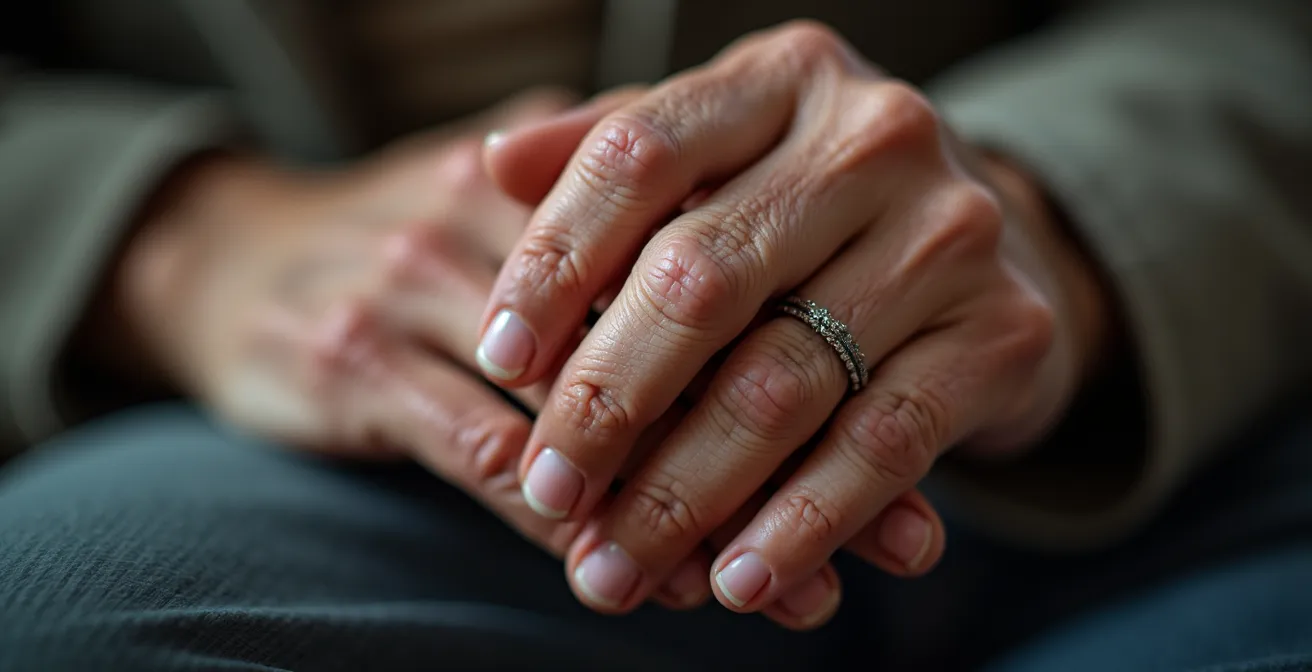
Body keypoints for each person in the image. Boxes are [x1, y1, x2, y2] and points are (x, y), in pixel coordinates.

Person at [1, 1, 1309, 670]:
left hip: (1179, 368)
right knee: (60, 619)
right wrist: (171, 242)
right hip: (376, 449)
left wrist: (1052, 219)